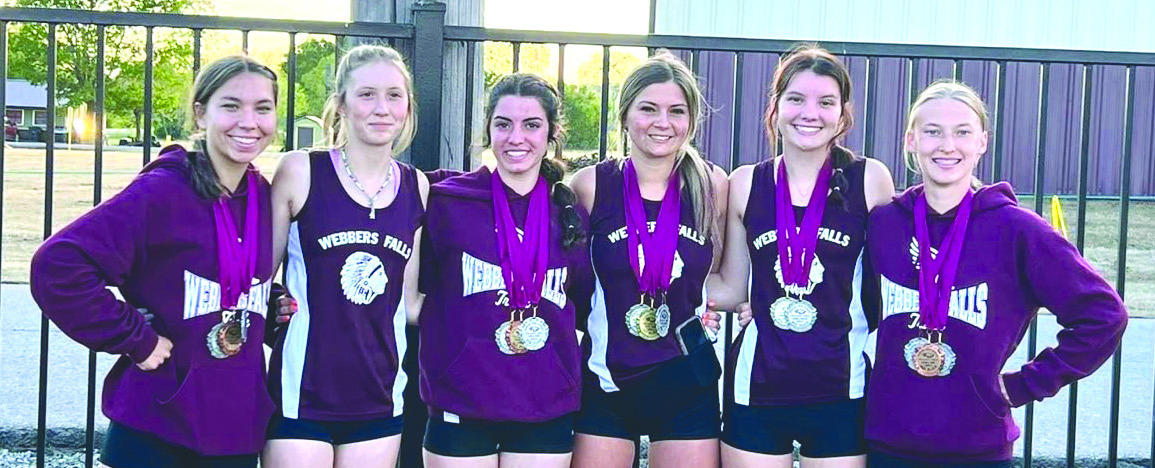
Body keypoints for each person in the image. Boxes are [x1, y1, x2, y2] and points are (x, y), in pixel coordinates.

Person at [29, 55, 279, 468]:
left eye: (263, 108)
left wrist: (273, 307)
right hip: (157, 423)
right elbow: (58, 266)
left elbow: (226, 282)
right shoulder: (163, 192)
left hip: (234, 426)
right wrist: (135, 338)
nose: (248, 122)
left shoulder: (263, 197)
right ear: (201, 113)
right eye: (231, 106)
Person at [864, 80, 1127, 467]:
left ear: (982, 142)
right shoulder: (885, 222)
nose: (947, 145)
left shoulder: (1018, 229)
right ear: (910, 140)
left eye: (962, 132)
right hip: (888, 443)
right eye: (932, 132)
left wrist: (1028, 383)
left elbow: (1104, 315)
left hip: (978, 447)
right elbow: (847, 303)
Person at [705, 45, 894, 468]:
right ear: (775, 108)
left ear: (843, 114)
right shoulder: (745, 183)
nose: (810, 113)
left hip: (840, 388)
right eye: (796, 99)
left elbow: (892, 282)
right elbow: (732, 287)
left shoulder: (870, 179)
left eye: (825, 102)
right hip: (756, 387)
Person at [262, 44, 427, 468]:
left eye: (394, 95)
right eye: (366, 94)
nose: (381, 108)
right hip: (304, 390)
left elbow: (409, 305)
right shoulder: (300, 170)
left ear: (408, 107)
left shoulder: (416, 186)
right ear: (341, 105)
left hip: (379, 393)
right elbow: (259, 277)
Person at [417, 73, 591, 468]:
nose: (517, 138)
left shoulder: (570, 213)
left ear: (551, 135)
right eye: (503, 124)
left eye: (532, 125)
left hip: (544, 404)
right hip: (462, 399)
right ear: (488, 131)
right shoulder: (446, 200)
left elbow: (588, 301)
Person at [569, 51, 729, 468]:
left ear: (691, 121)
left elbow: (720, 279)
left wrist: (719, 303)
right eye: (648, 109)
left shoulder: (712, 186)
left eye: (676, 111)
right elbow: (570, 282)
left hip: (685, 380)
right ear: (624, 116)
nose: (662, 122)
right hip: (608, 380)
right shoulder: (590, 185)